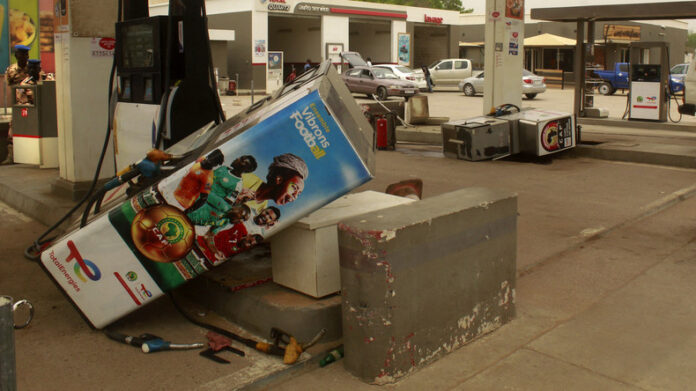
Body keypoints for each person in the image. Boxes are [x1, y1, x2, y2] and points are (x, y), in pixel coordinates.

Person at [240, 153, 308, 211]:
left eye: (298, 194)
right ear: (279, 180)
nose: (295, 196)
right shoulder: (244, 178)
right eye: (294, 188)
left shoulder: (261, 210)